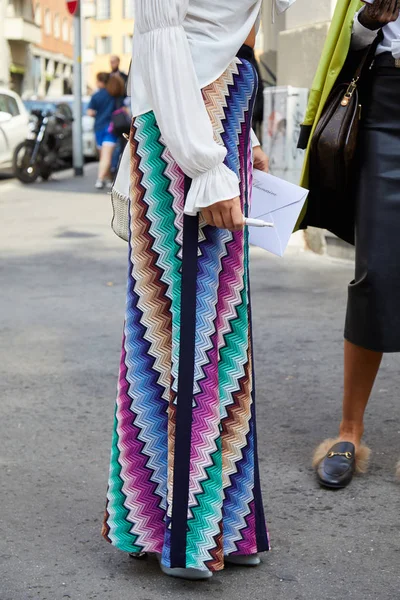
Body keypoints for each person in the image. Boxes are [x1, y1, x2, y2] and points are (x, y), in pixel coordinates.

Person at [101, 0, 295, 582]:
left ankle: (215, 519)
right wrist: (207, 164)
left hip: (218, 115)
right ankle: (186, 530)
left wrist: (246, 133)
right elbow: (164, 34)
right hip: (192, 126)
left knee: (218, 327)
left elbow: (224, 33)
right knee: (188, 327)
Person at [299, 0, 400, 489]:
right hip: (386, 104)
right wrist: (367, 22)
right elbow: (348, 47)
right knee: (375, 276)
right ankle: (349, 430)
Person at [87, 72, 125, 190]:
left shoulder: (96, 96)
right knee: (106, 156)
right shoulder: (113, 93)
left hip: (98, 128)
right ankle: (107, 178)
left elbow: (90, 112)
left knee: (103, 156)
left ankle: (100, 179)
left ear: (99, 81)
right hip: (111, 128)